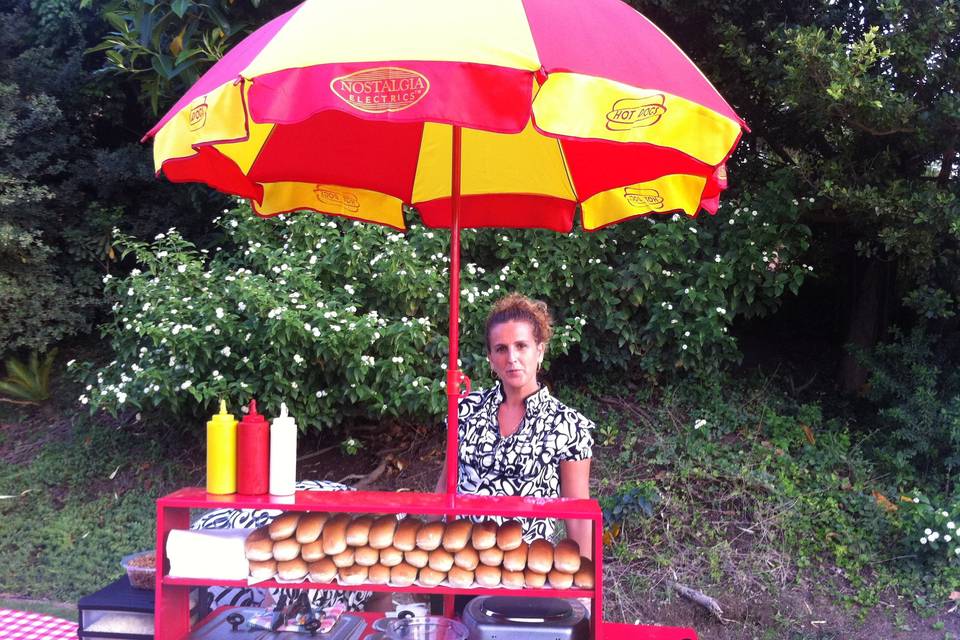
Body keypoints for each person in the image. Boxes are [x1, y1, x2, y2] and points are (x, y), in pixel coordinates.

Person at [437, 293, 595, 558]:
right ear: (490, 358)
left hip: (526, 573)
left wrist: (584, 592)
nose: (512, 358)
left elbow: (579, 516)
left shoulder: (568, 426)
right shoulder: (465, 410)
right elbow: (445, 486)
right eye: (501, 348)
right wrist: (429, 557)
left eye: (521, 346)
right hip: (461, 565)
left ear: (540, 350)